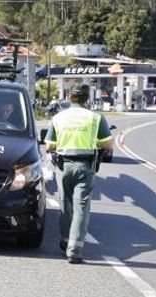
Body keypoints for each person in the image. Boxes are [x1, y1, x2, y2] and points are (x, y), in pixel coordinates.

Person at [44, 84, 113, 264]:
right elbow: (108, 145)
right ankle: (74, 251)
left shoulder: (58, 117)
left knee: (65, 204)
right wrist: (95, 144)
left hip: (63, 165)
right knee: (81, 207)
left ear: (70, 98)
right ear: (87, 99)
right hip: (85, 165)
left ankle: (65, 241)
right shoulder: (95, 118)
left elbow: (50, 146)